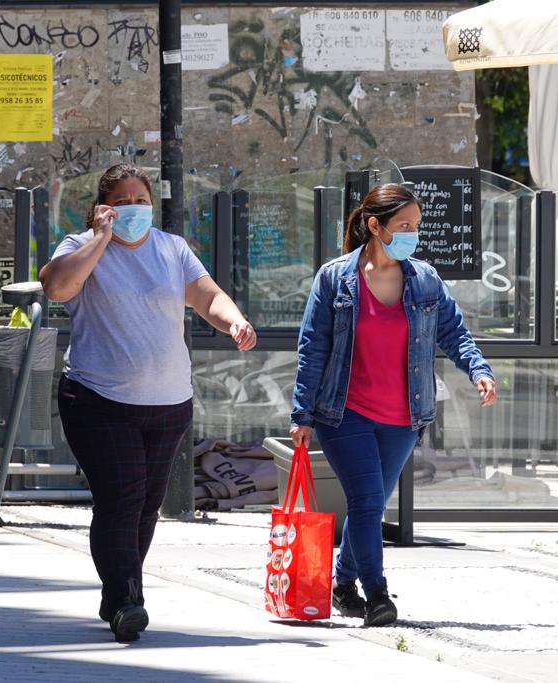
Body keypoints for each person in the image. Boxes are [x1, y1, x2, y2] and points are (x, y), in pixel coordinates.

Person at [40, 163, 257, 643]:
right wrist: (100, 239)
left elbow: (206, 296)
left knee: (145, 507)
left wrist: (234, 320)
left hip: (168, 402)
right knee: (121, 500)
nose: (135, 208)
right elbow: (57, 287)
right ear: (103, 209)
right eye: (123, 201)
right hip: (98, 399)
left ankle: (119, 590)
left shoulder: (171, 249)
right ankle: (126, 602)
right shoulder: (79, 248)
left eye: (142, 200)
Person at [289, 183, 497, 627]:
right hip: (344, 414)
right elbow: (313, 348)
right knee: (366, 502)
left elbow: (454, 332)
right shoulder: (334, 278)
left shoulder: (423, 279)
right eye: (404, 225)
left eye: (416, 226)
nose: (412, 234)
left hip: (405, 416)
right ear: (374, 226)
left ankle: (343, 583)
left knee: (372, 505)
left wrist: (478, 369)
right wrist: (301, 414)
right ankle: (377, 593)